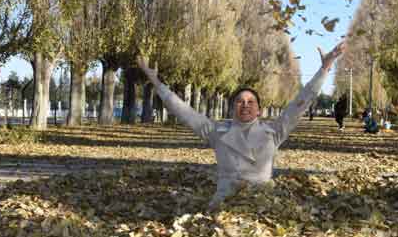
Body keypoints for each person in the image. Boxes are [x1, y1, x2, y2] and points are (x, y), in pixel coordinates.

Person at [136, 42, 345, 206]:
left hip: (263, 205)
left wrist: (325, 68)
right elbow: (184, 112)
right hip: (223, 204)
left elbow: (301, 102)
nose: (245, 105)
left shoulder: (274, 130)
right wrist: (156, 83)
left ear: (259, 110)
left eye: (251, 102)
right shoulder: (216, 131)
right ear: (231, 108)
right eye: (240, 101)